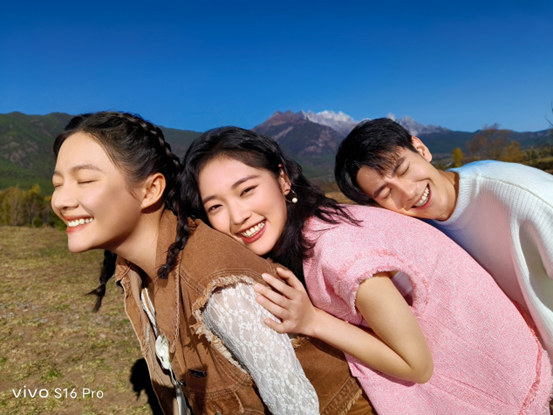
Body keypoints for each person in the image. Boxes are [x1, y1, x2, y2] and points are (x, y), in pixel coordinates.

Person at [181, 126, 552, 415]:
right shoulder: (318, 222)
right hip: (508, 365)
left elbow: (416, 364)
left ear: (282, 179)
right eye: (216, 207)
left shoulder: (335, 249)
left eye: (246, 190)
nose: (237, 216)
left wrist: (312, 321)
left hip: (507, 391)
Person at [51, 112, 374, 415]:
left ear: (151, 190)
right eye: (57, 184)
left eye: (85, 180)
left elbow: (298, 407)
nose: (61, 201)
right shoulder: (136, 270)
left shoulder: (218, 285)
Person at [334, 117, 553, 358]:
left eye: (404, 170)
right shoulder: (418, 232)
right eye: (386, 193)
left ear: (421, 149)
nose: (408, 192)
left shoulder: (527, 199)